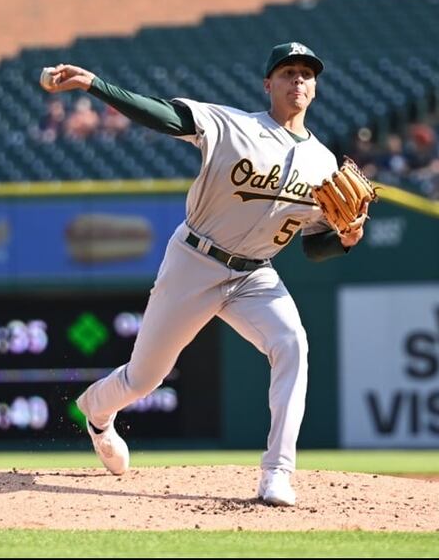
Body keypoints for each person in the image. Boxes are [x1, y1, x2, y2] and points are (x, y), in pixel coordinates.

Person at [40, 42, 365, 507]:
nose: (298, 81)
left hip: (255, 276)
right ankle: (96, 409)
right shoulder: (234, 125)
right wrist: (95, 84)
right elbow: (165, 116)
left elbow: (315, 248)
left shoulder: (325, 164)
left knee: (292, 344)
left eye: (307, 75)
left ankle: (277, 473)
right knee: (143, 379)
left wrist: (346, 241)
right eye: (288, 72)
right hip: (195, 262)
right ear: (267, 84)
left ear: (314, 88)